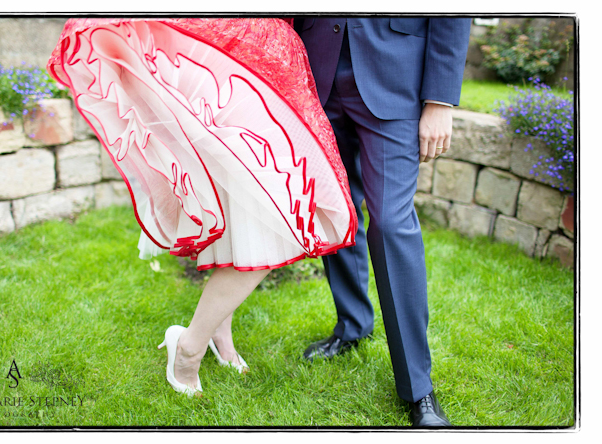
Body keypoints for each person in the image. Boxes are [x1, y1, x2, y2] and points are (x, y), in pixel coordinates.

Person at [47, 18, 358, 397]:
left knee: (249, 208)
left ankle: (217, 337)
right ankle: (189, 346)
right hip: (229, 49)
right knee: (268, 218)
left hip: (271, 58)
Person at [294, 17, 471, 426]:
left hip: (395, 77)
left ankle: (418, 389)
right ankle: (352, 324)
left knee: (391, 224)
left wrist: (440, 100)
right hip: (316, 75)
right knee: (335, 210)